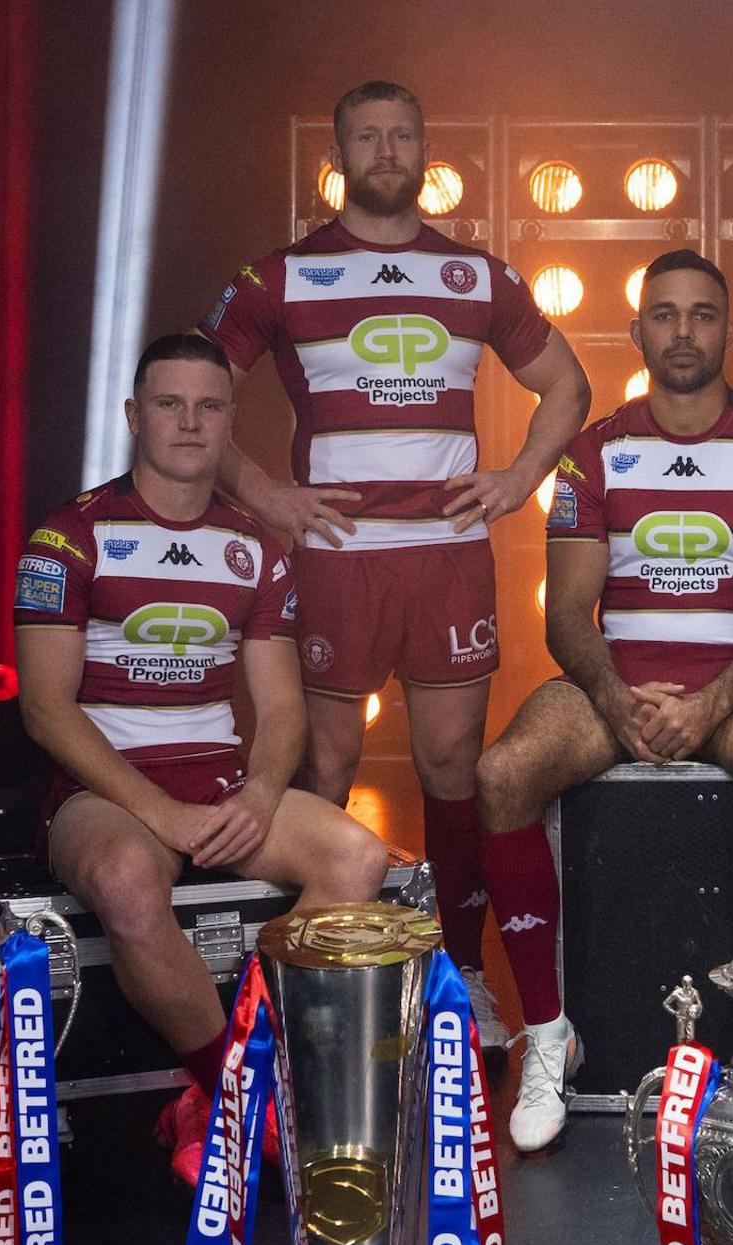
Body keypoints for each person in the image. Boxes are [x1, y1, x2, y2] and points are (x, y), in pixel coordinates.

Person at [201, 80, 592, 1047]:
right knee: (326, 764)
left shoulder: (474, 277)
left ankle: (459, 978)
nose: (386, 150)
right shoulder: (281, 277)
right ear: (340, 157)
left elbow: (567, 386)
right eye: (367, 137)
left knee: (452, 764)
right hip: (339, 559)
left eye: (402, 136)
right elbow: (193, 392)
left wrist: (520, 478)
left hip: (448, 558)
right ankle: (322, 976)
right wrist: (270, 499)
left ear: (424, 152)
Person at [478, 251, 733, 1151]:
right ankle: (551, 1035)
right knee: (501, 773)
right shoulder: (593, 452)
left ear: (729, 329)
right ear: (636, 332)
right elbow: (566, 614)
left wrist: (709, 704)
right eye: (665, 315)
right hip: (618, 683)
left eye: (703, 314)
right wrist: (614, 693)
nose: (683, 332)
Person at [15, 332, 392, 1184]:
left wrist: (261, 792)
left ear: (228, 422)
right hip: (101, 789)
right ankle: (239, 1093)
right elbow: (44, 709)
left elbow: (285, 704)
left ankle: (220, 1083)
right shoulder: (69, 537)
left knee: (359, 856)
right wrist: (161, 813)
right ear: (133, 416)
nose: (189, 423)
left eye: (209, 406)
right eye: (168, 404)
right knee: (122, 880)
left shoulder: (256, 546)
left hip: (218, 779)